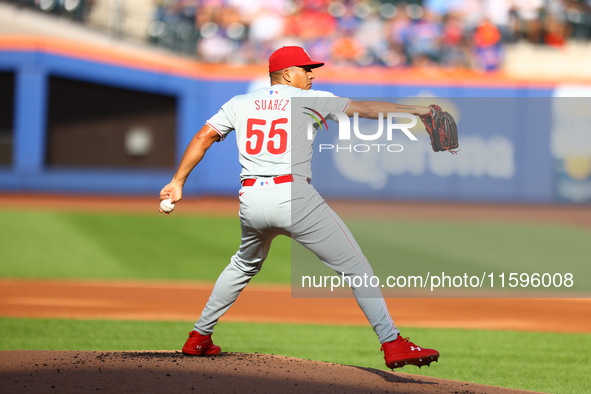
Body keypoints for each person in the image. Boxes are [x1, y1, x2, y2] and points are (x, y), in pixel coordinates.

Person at [159, 46, 440, 369]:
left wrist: (178, 181)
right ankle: (392, 343)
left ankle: (199, 336)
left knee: (242, 265)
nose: (311, 74)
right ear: (286, 73)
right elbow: (363, 109)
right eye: (305, 69)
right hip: (292, 195)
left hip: (251, 198)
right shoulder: (311, 99)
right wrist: (418, 111)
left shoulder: (240, 103)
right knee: (356, 268)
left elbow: (203, 136)